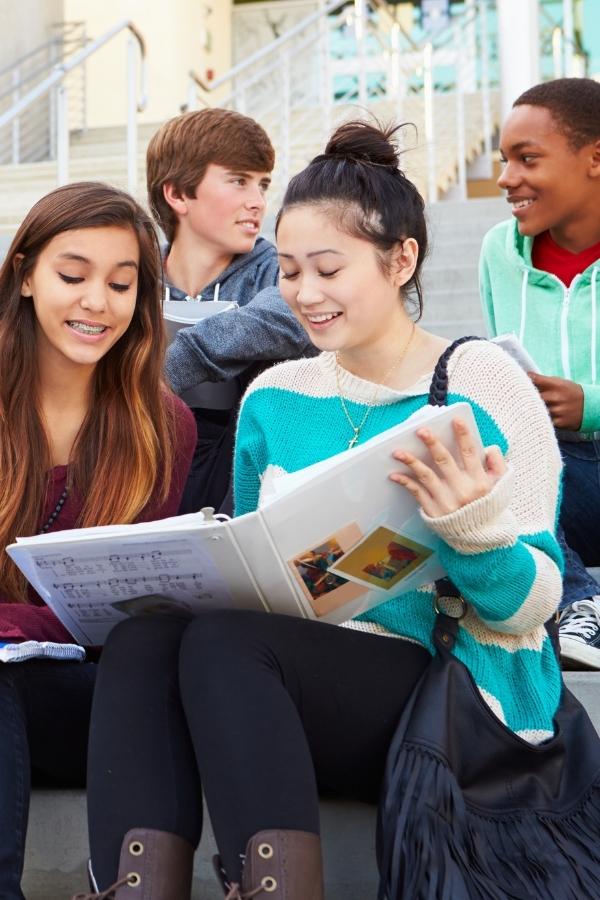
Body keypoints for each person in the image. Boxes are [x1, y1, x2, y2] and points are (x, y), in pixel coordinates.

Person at [79, 121, 564, 899]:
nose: (304, 294)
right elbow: (259, 569)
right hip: (285, 679)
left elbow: (532, 607)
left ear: (400, 258)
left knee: (230, 647)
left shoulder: (480, 382)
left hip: (446, 686)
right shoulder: (275, 395)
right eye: (292, 271)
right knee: (145, 641)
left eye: (328, 269)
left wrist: (471, 532)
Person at [0, 181, 196, 900]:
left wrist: (14, 626)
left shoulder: (161, 425)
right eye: (72, 275)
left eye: (121, 284)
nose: (97, 303)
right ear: (25, 274)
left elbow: (122, 604)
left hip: (90, 699)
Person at [479, 77, 600, 669]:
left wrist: (591, 404)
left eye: (528, 159)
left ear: (594, 158)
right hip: (558, 478)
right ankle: (581, 603)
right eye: (505, 161)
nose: (506, 179)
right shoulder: (500, 252)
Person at [147, 108, 316, 514]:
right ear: (177, 194)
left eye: (262, 185)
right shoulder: (134, 277)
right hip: (145, 464)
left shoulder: (278, 270)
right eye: (239, 181)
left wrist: (164, 371)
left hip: (242, 483)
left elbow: (288, 315)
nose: (257, 202)